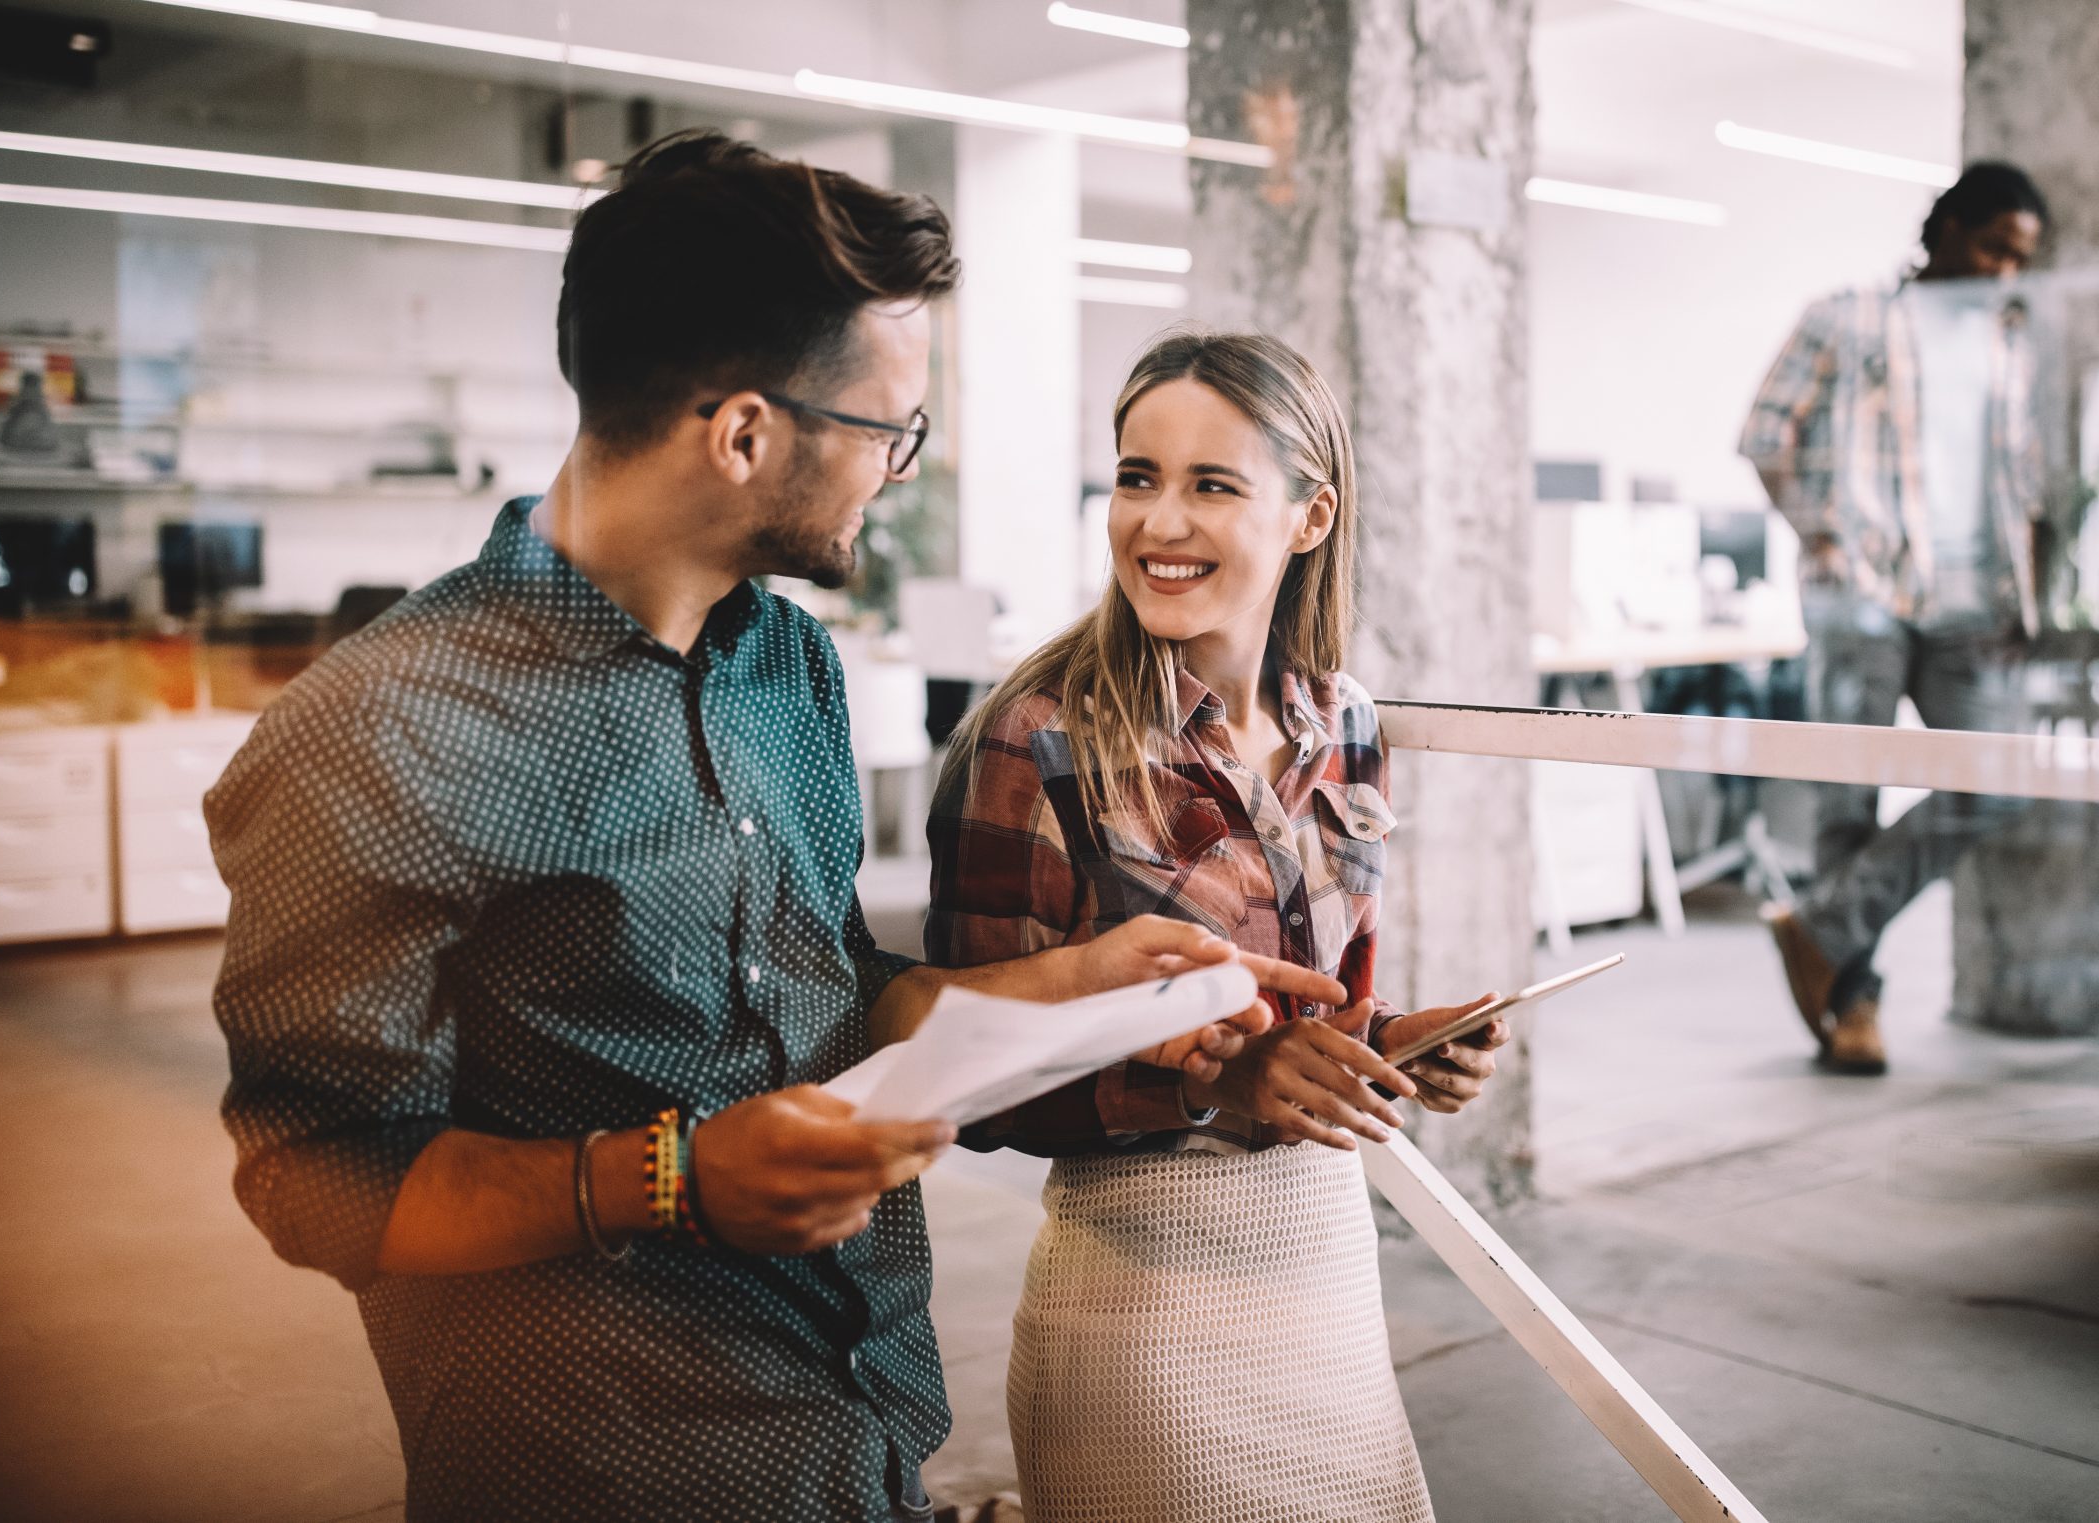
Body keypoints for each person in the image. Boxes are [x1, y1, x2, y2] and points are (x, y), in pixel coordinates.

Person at [206, 132, 1342, 1523]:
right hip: (607, 1465)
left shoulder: (790, 669)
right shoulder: (377, 727)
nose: (903, 472)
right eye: (891, 431)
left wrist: (1058, 994)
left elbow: (827, 998)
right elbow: (316, 1176)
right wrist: (670, 1178)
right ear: (744, 432)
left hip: (859, 1426)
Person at [925, 329, 1510, 1523]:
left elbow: (1313, 1004)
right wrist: (1219, 1085)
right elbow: (965, 1081)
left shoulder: (1339, 719)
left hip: (1329, 1281)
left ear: (1309, 516)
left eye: (1211, 485)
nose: (1158, 521)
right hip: (1140, 1315)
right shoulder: (1040, 738)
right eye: (1137, 477)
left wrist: (1385, 1040)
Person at [1738, 161, 2054, 1075]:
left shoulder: (2008, 339)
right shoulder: (1849, 314)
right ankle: (1854, 1009)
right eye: (1993, 246)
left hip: (1974, 603)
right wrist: (1824, 539)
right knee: (1849, 801)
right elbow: (1766, 433)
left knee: (1998, 774)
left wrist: (2027, 595)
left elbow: (2020, 480)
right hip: (1865, 593)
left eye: (2019, 258)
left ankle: (1821, 931)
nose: (2003, 270)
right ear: (1946, 228)